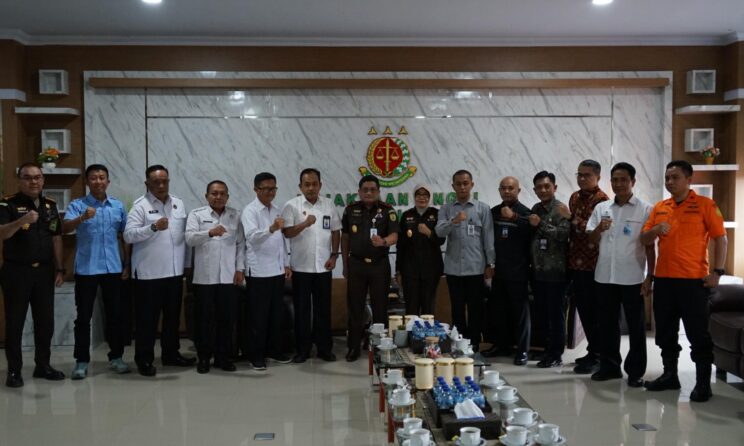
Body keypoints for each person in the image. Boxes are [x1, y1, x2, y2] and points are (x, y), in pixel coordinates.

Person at [641, 160, 727, 402]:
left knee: (698, 335)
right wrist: (655, 230)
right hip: (664, 281)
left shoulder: (705, 205)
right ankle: (670, 375)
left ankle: (703, 384)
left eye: (675, 177)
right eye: (667, 178)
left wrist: (718, 272)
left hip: (693, 282)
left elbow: (721, 238)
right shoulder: (660, 207)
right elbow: (644, 239)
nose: (669, 182)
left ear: (689, 179)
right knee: (665, 333)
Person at [586, 162, 654, 387]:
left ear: (633, 182)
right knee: (606, 325)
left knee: (636, 327)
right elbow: (591, 239)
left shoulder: (645, 209)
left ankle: (635, 372)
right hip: (604, 277)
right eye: (615, 180)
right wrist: (599, 228)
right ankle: (609, 367)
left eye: (624, 179)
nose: (619, 184)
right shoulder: (602, 208)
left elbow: (650, 246)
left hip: (633, 277)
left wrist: (649, 276)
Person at [124, 165, 195, 377]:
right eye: (156, 182)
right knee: (147, 321)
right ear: (147, 183)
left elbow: (184, 238)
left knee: (172, 318)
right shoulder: (140, 206)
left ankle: (171, 354)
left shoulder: (178, 204)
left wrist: (187, 265)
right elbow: (128, 235)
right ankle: (144, 359)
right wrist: (152, 227)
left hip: (174, 273)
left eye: (165, 181)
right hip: (149, 275)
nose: (161, 185)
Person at [63, 164, 131, 379]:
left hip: (113, 268)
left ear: (108, 181)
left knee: (115, 315)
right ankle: (81, 361)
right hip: (87, 269)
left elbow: (125, 236)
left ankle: (116, 357)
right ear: (87, 181)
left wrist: (127, 264)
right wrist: (82, 218)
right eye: (93, 178)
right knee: (83, 317)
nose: (98, 181)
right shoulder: (77, 205)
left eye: (102, 178)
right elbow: (64, 228)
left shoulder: (117, 206)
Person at [0, 162, 65, 387]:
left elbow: (56, 236)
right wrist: (22, 221)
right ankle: (14, 371)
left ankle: (43, 365)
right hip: (16, 272)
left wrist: (60, 268)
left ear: (43, 180)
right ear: (20, 180)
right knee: (15, 322)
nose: (33, 181)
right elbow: (2, 234)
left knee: (45, 322)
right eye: (27, 177)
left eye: (37, 177)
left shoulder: (50, 205)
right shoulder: (7, 204)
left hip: (45, 272)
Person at [185, 180, 245, 374]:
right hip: (205, 278)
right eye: (214, 193)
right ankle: (204, 358)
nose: (218, 197)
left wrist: (240, 269)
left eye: (222, 194)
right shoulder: (196, 214)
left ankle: (223, 358)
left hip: (228, 277)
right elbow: (189, 239)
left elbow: (241, 244)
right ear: (207, 196)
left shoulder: (235, 215)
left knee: (226, 320)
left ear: (227, 196)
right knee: (204, 321)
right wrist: (209, 232)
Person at [282, 168, 340, 363]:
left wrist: (334, 255)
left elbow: (336, 231)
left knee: (323, 310)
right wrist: (305, 224)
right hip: (301, 268)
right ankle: (303, 350)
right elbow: (287, 233)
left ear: (320, 185)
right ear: (300, 186)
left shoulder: (328, 204)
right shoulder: (291, 205)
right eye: (307, 184)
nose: (311, 188)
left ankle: (324, 349)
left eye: (315, 184)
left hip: (324, 267)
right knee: (302, 311)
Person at [435, 170, 495, 352]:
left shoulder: (482, 208)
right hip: (453, 269)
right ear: (453, 186)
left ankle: (474, 343)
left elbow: (488, 238)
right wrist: (453, 222)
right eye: (458, 184)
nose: (462, 187)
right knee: (457, 309)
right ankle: (459, 342)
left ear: (472, 185)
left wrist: (490, 263)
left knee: (476, 309)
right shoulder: (446, 209)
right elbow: (439, 232)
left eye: (465, 183)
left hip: (476, 268)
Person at [341, 175, 399, 362]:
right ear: (359, 192)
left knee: (380, 307)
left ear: (378, 191)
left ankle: (381, 347)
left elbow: (394, 235)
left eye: (372, 189)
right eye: (365, 189)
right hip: (356, 264)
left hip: (379, 265)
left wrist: (384, 241)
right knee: (355, 307)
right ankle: (354, 347)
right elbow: (345, 238)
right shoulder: (350, 210)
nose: (368, 192)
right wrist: (345, 264)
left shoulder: (388, 210)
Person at [241, 172, 292, 370]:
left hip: (276, 271)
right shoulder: (250, 211)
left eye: (273, 189)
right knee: (258, 316)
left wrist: (286, 263)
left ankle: (274, 350)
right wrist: (271, 228)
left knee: (275, 315)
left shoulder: (276, 209)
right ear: (256, 189)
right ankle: (256, 355)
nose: (271, 192)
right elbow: (252, 237)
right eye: (267, 189)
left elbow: (281, 241)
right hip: (258, 272)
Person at [483, 176, 532, 366]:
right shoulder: (494, 212)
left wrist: (514, 217)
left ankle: (522, 350)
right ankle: (501, 346)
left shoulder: (525, 212)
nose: (507, 191)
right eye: (503, 188)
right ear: (499, 191)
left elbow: (531, 234)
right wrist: (489, 265)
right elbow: (488, 240)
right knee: (499, 311)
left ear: (518, 190)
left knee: (520, 313)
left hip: (519, 271)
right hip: (498, 271)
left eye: (511, 188)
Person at [568, 160, 609, 374]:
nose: (582, 178)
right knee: (583, 310)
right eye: (579, 174)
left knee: (596, 313)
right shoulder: (574, 197)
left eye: (587, 175)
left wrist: (572, 219)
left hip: (594, 264)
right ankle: (592, 351)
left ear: (598, 177)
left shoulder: (603, 201)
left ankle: (599, 356)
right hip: (575, 262)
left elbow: (596, 230)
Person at [529, 171, 571, 368]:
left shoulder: (561, 209)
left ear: (554, 187)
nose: (543, 190)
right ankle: (546, 350)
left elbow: (564, 235)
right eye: (539, 187)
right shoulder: (536, 208)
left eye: (547, 186)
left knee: (556, 315)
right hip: (538, 271)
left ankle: (556, 354)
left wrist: (541, 224)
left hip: (556, 272)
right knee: (543, 314)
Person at [395, 184, 444, 315]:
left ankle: (427, 330)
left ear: (430, 197)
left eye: (425, 195)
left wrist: (429, 233)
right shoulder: (406, 215)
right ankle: (412, 329)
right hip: (410, 271)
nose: (422, 198)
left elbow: (441, 240)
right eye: (419, 195)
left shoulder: (437, 214)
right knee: (411, 309)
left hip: (431, 270)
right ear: (414, 197)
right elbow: (400, 246)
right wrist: (398, 270)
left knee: (428, 309)